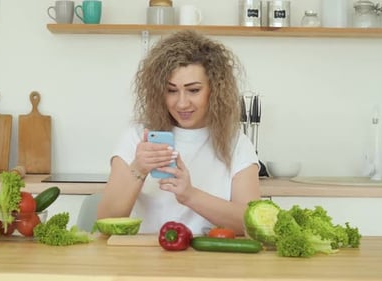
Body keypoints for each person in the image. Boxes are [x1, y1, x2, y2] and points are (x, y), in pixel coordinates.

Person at [97, 30, 261, 235]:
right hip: (144, 259)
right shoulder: (137, 137)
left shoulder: (236, 143)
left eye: (193, 90)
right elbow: (104, 221)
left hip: (210, 260)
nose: (182, 103)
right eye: (171, 90)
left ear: (215, 90)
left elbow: (252, 224)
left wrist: (190, 196)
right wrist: (138, 169)